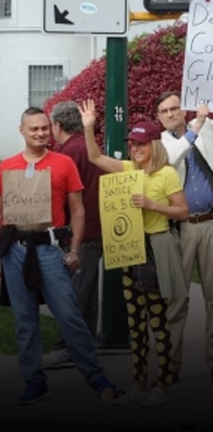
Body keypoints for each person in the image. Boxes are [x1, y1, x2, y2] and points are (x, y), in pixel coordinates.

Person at [0, 106, 117, 405]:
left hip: (51, 250)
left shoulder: (64, 163)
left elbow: (77, 211)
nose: (40, 133)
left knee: (69, 315)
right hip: (15, 251)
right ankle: (34, 381)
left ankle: (94, 375)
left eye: (44, 128)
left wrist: (74, 249)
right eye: (33, 129)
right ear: (22, 130)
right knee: (25, 320)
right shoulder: (5, 167)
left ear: (51, 128)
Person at [81, 99, 189, 407]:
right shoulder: (129, 170)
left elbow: (183, 212)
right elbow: (94, 157)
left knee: (158, 320)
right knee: (135, 322)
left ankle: (163, 384)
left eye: (141, 144)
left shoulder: (166, 174)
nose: (135, 149)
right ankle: (139, 383)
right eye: (132, 144)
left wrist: (153, 205)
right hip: (130, 249)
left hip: (156, 249)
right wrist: (89, 127)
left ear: (153, 145)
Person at [156, 91, 213, 385]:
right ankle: (171, 364)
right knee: (176, 299)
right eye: (164, 110)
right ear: (159, 116)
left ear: (183, 109)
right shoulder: (162, 144)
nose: (170, 113)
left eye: (175, 108)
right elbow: (172, 158)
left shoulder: (210, 128)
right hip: (182, 226)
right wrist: (196, 126)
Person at [41, 101, 106, 370]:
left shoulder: (69, 154)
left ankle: (67, 348)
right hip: (97, 230)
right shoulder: (88, 147)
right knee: (88, 293)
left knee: (72, 295)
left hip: (80, 233)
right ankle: (85, 346)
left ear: (58, 125)